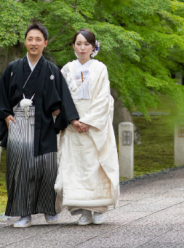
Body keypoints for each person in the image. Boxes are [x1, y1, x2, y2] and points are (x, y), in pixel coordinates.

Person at [0, 23, 84, 228]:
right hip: (19, 123)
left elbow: (63, 98)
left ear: (45, 43)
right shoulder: (13, 68)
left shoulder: (51, 70)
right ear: (25, 42)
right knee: (20, 170)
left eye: (38, 39)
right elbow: (1, 97)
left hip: (44, 123)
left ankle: (49, 209)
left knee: (47, 168)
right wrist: (5, 116)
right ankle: (24, 214)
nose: (34, 43)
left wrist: (68, 117)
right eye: (30, 39)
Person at [56, 29, 120, 225]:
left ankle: (99, 208)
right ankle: (83, 210)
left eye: (86, 44)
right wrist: (73, 120)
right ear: (73, 46)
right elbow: (62, 98)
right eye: (78, 43)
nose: (82, 47)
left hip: (94, 126)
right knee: (75, 167)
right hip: (73, 127)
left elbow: (103, 98)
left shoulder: (100, 68)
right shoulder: (66, 69)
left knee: (96, 166)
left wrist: (88, 120)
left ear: (93, 47)